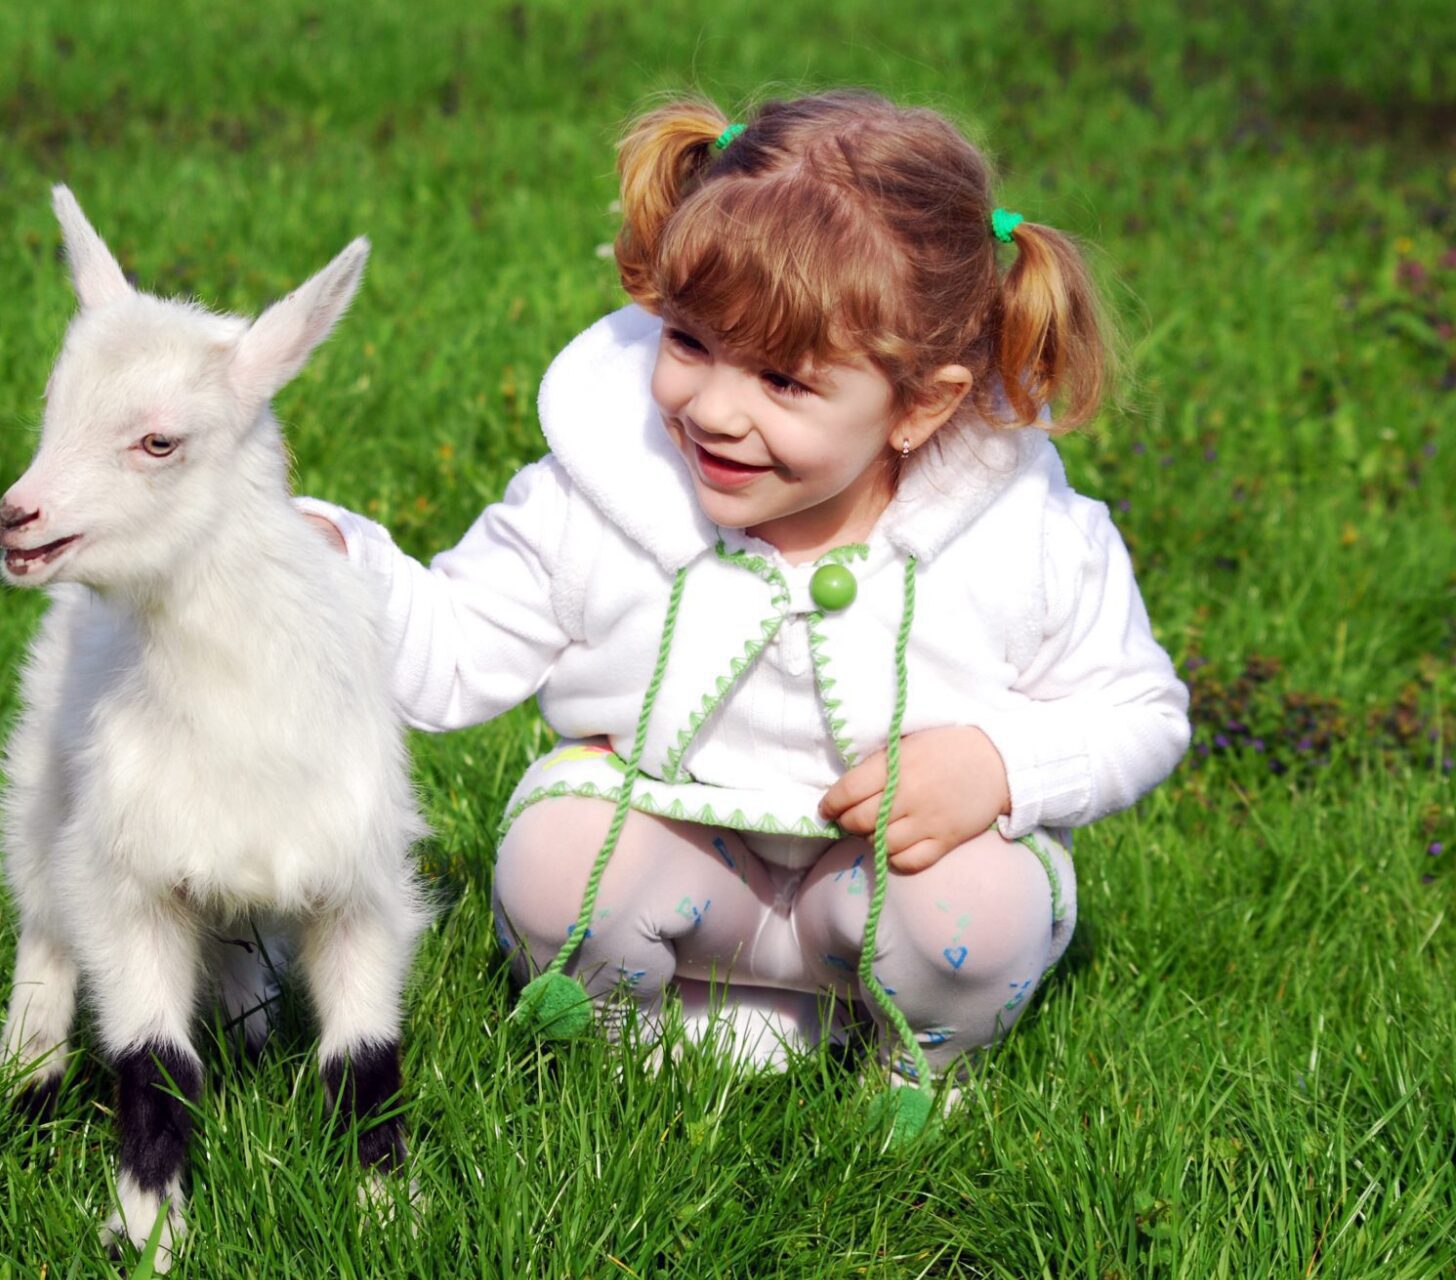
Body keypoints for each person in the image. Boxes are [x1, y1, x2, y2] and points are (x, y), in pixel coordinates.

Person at [299, 90, 1189, 1115]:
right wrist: (340, 565)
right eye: (686, 343)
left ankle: (916, 1074)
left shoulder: (1020, 536)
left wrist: (996, 768)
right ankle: (630, 1065)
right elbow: (452, 651)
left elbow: (1138, 711)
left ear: (921, 403)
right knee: (555, 857)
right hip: (683, 869)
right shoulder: (608, 488)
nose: (713, 410)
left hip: (880, 893)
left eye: (783, 381)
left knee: (974, 910)